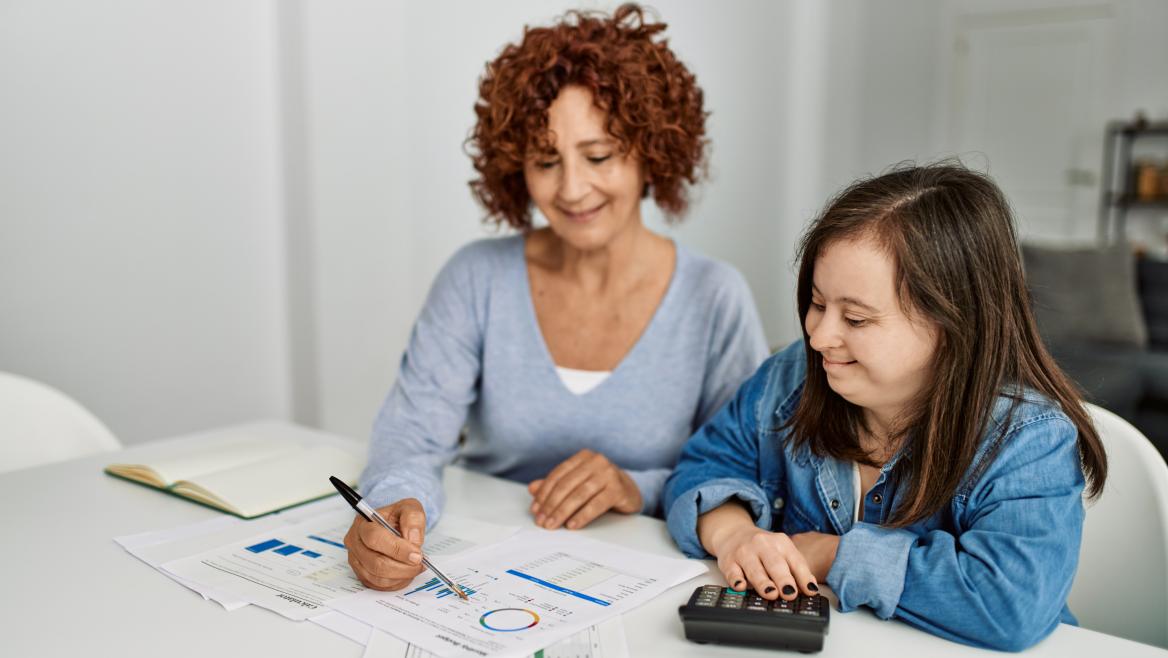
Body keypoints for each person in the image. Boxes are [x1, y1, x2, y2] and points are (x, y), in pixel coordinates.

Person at [346, 4, 768, 592]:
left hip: (648, 580)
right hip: (478, 567)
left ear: (651, 152)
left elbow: (746, 471)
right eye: (546, 161)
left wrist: (633, 487)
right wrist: (391, 506)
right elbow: (411, 438)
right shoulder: (476, 279)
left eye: (598, 157)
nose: (572, 189)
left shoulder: (714, 296)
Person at [663, 163, 1108, 651]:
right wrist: (733, 534)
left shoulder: (1028, 439)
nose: (819, 336)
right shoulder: (791, 376)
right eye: (816, 303)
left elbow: (1009, 604)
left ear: (951, 325)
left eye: (856, 318)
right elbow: (706, 463)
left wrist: (831, 555)